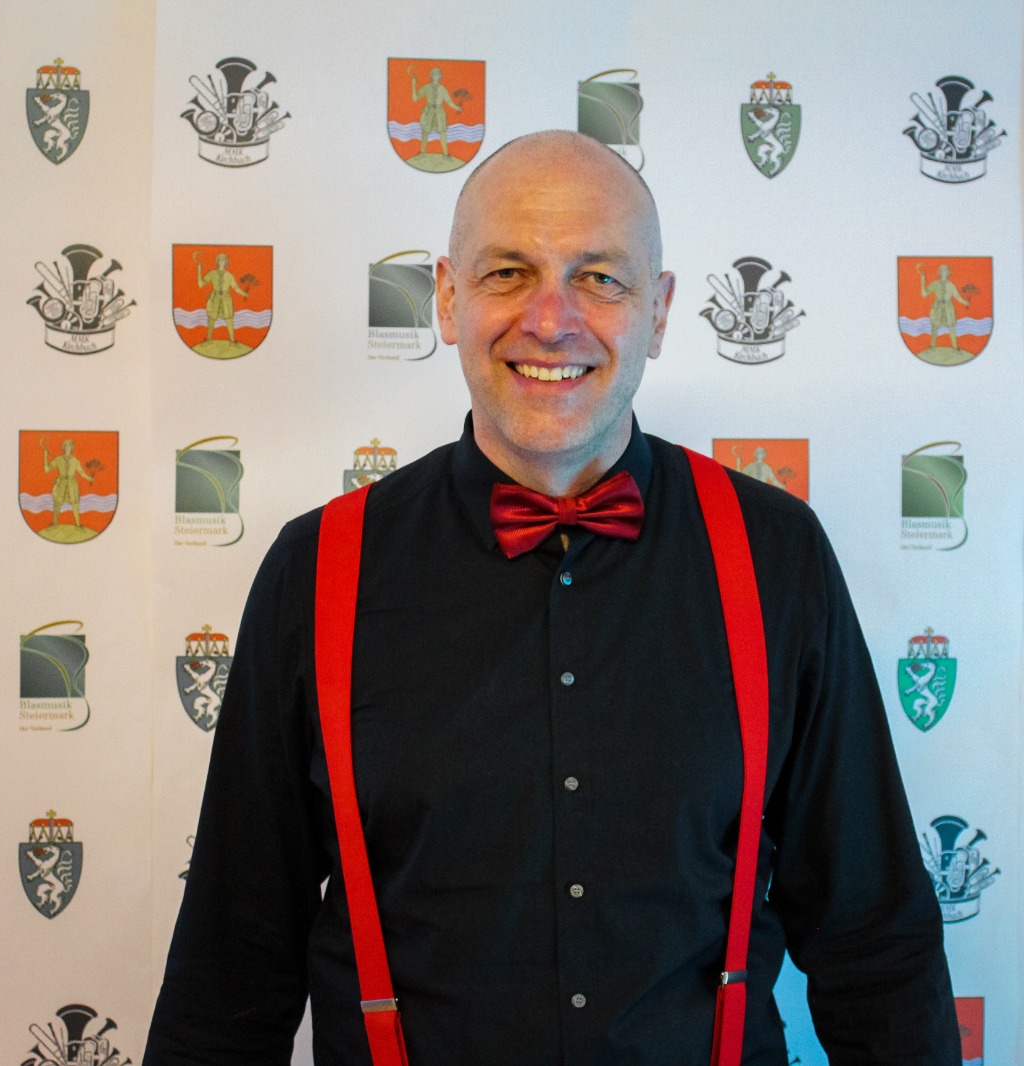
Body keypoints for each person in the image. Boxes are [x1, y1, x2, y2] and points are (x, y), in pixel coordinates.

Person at [147, 130, 958, 1064]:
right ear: (447, 299)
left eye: (599, 279)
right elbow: (231, 966)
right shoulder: (316, 570)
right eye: (507, 273)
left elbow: (875, 940)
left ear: (659, 313)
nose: (549, 320)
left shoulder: (779, 556)